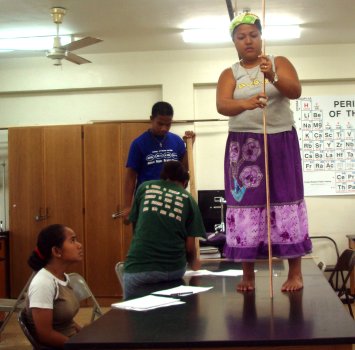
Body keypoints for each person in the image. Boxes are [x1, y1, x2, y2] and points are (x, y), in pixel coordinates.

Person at [216, 12, 312, 292]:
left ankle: (295, 272)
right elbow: (222, 105)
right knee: (246, 203)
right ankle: (247, 274)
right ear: (234, 41)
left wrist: (273, 76)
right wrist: (245, 103)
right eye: (241, 37)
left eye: (253, 35)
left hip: (280, 139)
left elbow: (295, 91)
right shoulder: (229, 73)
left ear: (261, 37)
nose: (248, 41)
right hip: (243, 144)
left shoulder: (278, 62)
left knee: (287, 199)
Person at [123, 160, 205, 299]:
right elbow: (190, 247)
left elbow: (137, 227)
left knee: (136, 317)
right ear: (184, 183)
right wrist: (194, 264)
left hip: (137, 269)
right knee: (172, 316)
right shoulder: (188, 199)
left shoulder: (144, 188)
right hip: (173, 271)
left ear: (162, 177)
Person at [123, 101, 195, 219]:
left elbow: (184, 169)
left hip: (173, 201)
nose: (163, 128)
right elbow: (130, 177)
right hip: (148, 202)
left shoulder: (177, 141)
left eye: (168, 124)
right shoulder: (138, 144)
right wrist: (127, 206)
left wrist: (189, 146)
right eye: (160, 124)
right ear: (151, 119)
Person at [25, 224, 83, 349]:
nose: (79, 245)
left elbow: (67, 323)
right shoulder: (43, 283)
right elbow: (45, 335)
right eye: (72, 240)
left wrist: (85, 335)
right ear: (57, 251)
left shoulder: (63, 277)